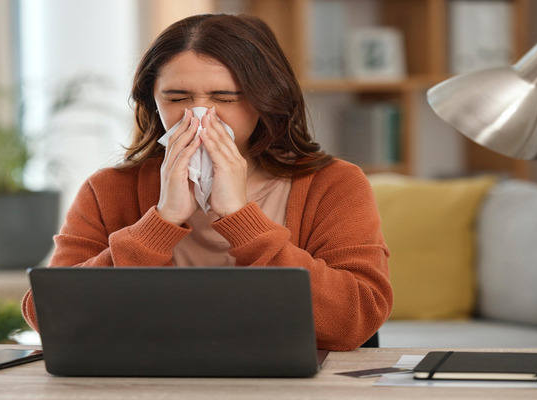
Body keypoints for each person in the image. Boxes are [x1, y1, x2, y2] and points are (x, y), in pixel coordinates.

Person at [22, 14, 392, 351]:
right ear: (153, 102)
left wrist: (241, 218)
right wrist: (160, 223)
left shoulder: (334, 184)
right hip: (146, 381)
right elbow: (49, 317)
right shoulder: (107, 189)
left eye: (224, 98)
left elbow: (355, 320)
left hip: (289, 383)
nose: (199, 116)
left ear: (266, 100)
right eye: (177, 98)